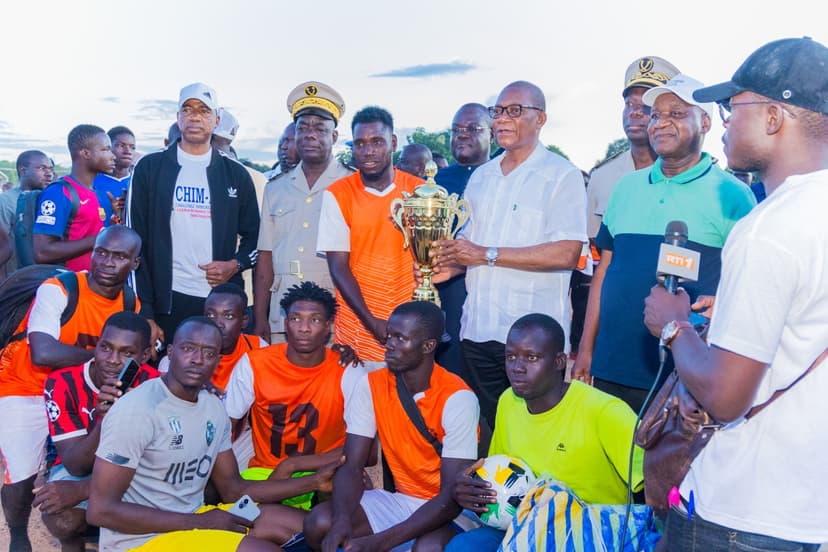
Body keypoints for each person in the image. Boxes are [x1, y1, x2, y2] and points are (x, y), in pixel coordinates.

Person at [642, 37, 828, 552]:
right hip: (808, 505)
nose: (724, 123)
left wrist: (674, 326)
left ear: (773, 117)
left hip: (742, 511)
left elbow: (725, 398)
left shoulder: (769, 228)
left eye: (732, 107)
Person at [573, 74, 756, 413]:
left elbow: (748, 284)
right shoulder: (625, 188)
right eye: (656, 115)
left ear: (704, 122)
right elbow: (604, 272)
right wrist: (586, 350)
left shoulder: (733, 195)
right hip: (611, 367)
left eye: (676, 113)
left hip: (685, 375)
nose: (660, 123)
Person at [88, 317, 343, 551]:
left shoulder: (213, 407)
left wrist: (314, 482)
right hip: (140, 539)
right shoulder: (137, 409)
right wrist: (199, 522)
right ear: (171, 352)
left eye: (208, 353)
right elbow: (100, 511)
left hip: (193, 517)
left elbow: (233, 489)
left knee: (304, 525)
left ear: (218, 361)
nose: (197, 359)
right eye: (188, 348)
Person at [431, 81, 588, 432]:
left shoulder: (561, 175)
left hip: (533, 341)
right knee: (488, 432)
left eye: (514, 111)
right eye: (498, 111)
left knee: (537, 433)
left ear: (540, 118)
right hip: (477, 330)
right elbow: (469, 247)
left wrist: (486, 254)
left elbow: (567, 253)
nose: (502, 119)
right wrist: (447, 267)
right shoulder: (482, 177)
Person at [447, 313, 643, 550]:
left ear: (559, 361)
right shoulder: (508, 402)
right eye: (510, 357)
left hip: (591, 533)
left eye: (531, 358)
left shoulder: (605, 411)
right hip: (526, 526)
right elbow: (501, 475)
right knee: (463, 546)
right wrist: (474, 488)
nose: (517, 368)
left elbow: (654, 483)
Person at [0, 225, 142, 552]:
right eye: (101, 252)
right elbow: (43, 353)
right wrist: (104, 359)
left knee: (91, 457)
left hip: (77, 389)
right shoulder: (59, 289)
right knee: (21, 475)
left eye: (119, 256)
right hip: (25, 384)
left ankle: (86, 524)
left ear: (134, 263)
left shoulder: (129, 302)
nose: (107, 262)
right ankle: (18, 535)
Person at [303, 301, 480, 551]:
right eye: (389, 335)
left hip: (449, 508)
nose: (389, 344)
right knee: (321, 522)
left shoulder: (457, 398)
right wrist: (342, 520)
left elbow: (451, 497)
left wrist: (378, 543)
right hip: (402, 500)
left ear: (428, 346)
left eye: (400, 338)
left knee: (428, 548)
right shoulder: (371, 385)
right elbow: (351, 465)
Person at [127, 82, 260, 349]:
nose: (195, 117)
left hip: (218, 302)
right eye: (187, 110)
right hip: (167, 300)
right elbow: (134, 244)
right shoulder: (149, 168)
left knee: (218, 371)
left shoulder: (236, 174)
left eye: (204, 110)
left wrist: (234, 265)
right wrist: (146, 311)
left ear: (217, 120)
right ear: (178, 118)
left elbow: (256, 237)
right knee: (167, 370)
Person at [572, 57, 680, 358]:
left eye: (645, 106)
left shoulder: (696, 177)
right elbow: (595, 264)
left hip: (675, 326)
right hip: (615, 323)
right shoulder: (603, 177)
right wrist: (585, 343)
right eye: (629, 104)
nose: (635, 112)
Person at [226, 282, 366, 504]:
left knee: (343, 488)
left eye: (315, 320)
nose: (304, 328)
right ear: (285, 323)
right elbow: (225, 427)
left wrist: (293, 465)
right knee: (236, 502)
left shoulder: (348, 371)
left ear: (328, 326)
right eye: (295, 318)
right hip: (267, 472)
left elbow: (368, 451)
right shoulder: (255, 364)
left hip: (325, 471)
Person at [36, 312, 158, 552]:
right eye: (106, 348)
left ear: (144, 356)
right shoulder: (62, 383)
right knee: (61, 518)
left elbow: (157, 460)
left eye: (127, 353)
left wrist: (82, 490)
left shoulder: (155, 385)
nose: (113, 360)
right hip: (85, 467)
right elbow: (76, 466)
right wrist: (105, 419)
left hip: (138, 469)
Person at [316, 106, 421, 367]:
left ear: (393, 142)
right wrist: (371, 321)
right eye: (360, 143)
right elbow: (338, 267)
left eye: (377, 142)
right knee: (358, 393)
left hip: (411, 324)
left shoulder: (419, 192)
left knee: (407, 391)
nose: (368, 151)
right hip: (357, 328)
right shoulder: (337, 194)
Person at [254, 82, 353, 344]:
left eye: (320, 128)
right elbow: (265, 256)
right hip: (283, 313)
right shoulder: (275, 188)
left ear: (334, 136)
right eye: (303, 127)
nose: (310, 135)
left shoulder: (352, 184)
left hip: (335, 312)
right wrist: (261, 317)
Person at [433, 103, 493, 378]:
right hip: (442, 290)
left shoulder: (502, 178)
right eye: (456, 129)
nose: (462, 134)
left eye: (473, 128)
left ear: (492, 134)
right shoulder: (434, 182)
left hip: (487, 285)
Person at [33, 124, 114, 271]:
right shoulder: (59, 192)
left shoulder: (101, 194)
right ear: (85, 153)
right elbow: (42, 253)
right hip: (68, 282)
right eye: (106, 149)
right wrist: (100, 239)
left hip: (94, 282)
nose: (113, 156)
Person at [158, 283, 266, 393]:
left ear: (244, 321)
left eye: (228, 316)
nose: (218, 324)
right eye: (210, 315)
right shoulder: (175, 360)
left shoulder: (258, 348)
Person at [0, 149, 54, 278]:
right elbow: (3, 246)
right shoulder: (6, 201)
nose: (49, 174)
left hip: (46, 277)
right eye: (42, 168)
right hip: (16, 279)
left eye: (50, 169)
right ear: (23, 171)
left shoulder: (51, 201)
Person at [94, 126, 136, 227]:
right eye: (121, 145)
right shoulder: (91, 182)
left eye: (132, 147)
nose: (128, 151)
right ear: (108, 148)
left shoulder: (138, 183)